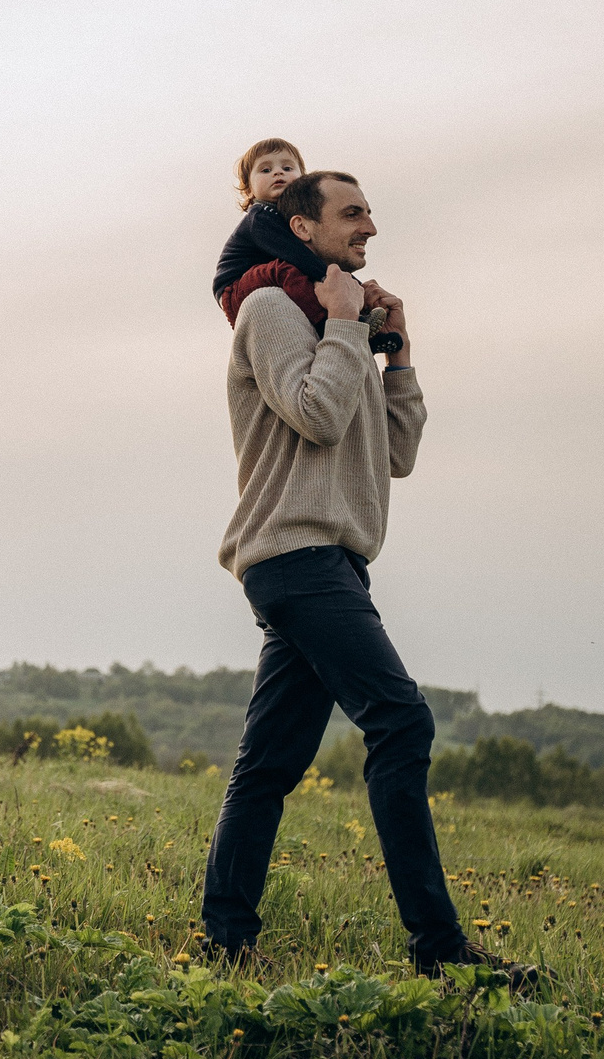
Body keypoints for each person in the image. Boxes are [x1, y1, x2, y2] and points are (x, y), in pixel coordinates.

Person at [201, 169, 531, 983]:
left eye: (371, 212)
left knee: (269, 765)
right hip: (295, 553)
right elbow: (313, 412)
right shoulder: (270, 310)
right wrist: (346, 328)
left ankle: (224, 941)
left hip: (333, 559)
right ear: (302, 227)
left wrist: (399, 355)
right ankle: (440, 949)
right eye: (353, 213)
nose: (371, 226)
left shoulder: (334, 323)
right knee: (401, 722)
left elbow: (395, 454)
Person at [214, 137, 398, 353]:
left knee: (298, 277)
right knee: (287, 271)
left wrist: (357, 291)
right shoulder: (260, 217)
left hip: (265, 277)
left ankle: (366, 340)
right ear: (249, 189)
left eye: (287, 167)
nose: (278, 173)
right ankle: (328, 324)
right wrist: (345, 285)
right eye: (265, 170)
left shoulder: (283, 217)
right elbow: (298, 256)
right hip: (234, 285)